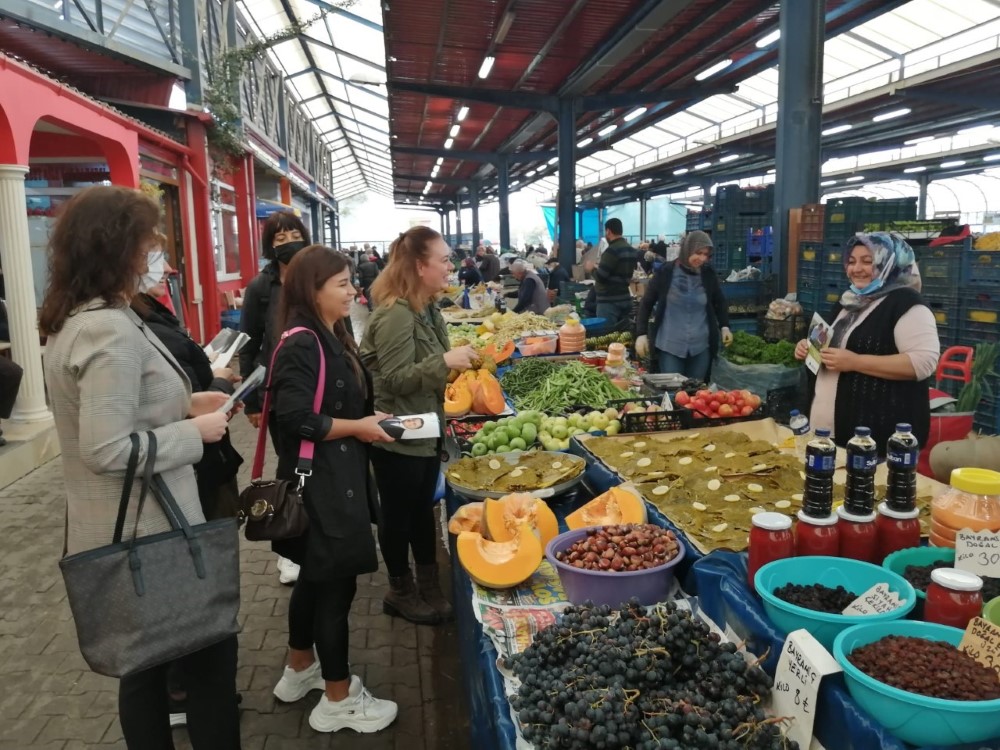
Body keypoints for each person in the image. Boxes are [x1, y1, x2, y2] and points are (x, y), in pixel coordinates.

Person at [39, 185, 240, 750]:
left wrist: (186, 404)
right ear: (118, 249)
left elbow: (117, 409)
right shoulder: (106, 329)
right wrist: (193, 433)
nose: (162, 260)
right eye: (151, 244)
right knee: (205, 667)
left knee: (144, 669)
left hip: (125, 533)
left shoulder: (85, 318)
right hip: (149, 534)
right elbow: (105, 449)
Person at [267, 244, 398, 734]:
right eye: (342, 284)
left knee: (314, 578)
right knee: (335, 588)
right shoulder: (302, 343)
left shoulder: (329, 334)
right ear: (312, 289)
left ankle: (300, 668)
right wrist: (359, 426)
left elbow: (332, 403)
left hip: (333, 476)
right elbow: (295, 418)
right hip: (322, 483)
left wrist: (366, 417)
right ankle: (338, 700)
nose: (352, 291)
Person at [360, 227, 479, 624]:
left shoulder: (427, 308)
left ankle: (428, 583)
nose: (450, 266)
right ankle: (399, 591)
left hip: (426, 429)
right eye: (443, 259)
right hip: (397, 435)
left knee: (421, 511)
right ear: (419, 265)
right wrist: (444, 362)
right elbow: (395, 379)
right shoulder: (396, 314)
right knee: (398, 516)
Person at [794, 232, 939, 451]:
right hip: (828, 431)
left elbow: (923, 363)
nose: (856, 269)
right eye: (852, 261)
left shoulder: (907, 304)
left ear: (889, 263)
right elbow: (834, 345)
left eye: (868, 261)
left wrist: (856, 362)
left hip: (875, 437)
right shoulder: (849, 301)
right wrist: (809, 348)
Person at [240, 211, 310, 586]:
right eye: (279, 238)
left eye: (294, 235)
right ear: (270, 245)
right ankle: (288, 549)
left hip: (320, 387)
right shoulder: (261, 287)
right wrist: (252, 402)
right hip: (279, 394)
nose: (288, 243)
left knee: (320, 467)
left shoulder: (317, 277)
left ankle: (318, 533)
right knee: (290, 467)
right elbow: (248, 345)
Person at [635, 230, 732, 381]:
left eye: (706, 254)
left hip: (700, 347)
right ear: (687, 249)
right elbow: (646, 303)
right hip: (670, 347)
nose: (702, 258)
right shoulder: (665, 272)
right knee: (673, 390)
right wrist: (641, 334)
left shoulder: (708, 274)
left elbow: (719, 301)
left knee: (697, 391)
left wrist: (724, 326)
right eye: (698, 253)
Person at [585, 218, 639, 330]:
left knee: (607, 335)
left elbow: (601, 277)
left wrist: (591, 269)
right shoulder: (631, 250)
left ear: (608, 231)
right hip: (624, 299)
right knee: (622, 336)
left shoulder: (611, 250)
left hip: (609, 302)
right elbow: (619, 271)